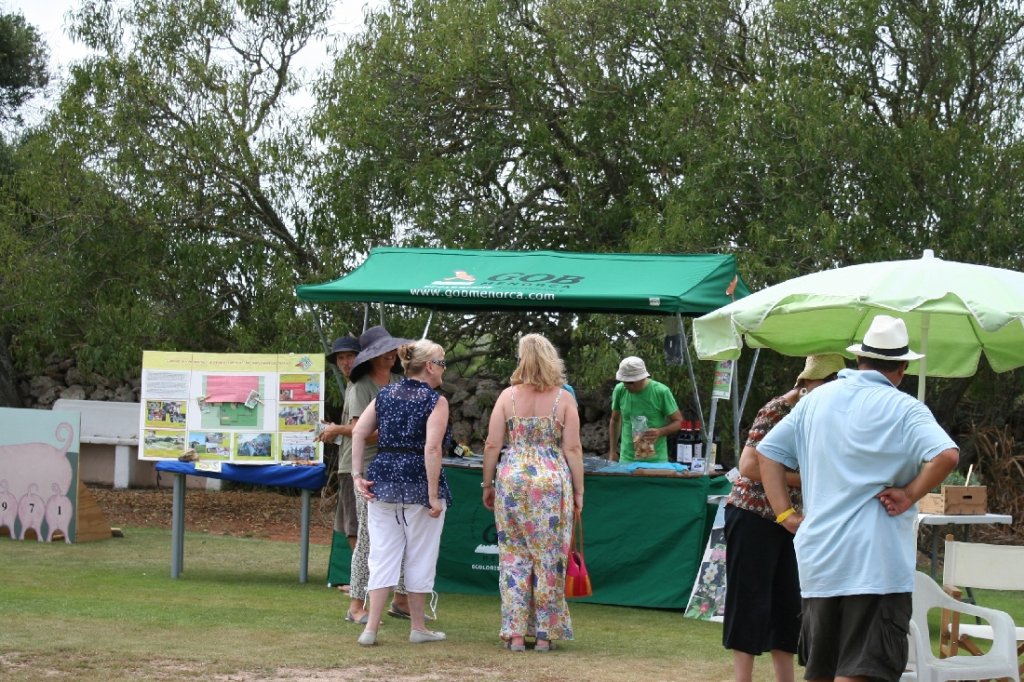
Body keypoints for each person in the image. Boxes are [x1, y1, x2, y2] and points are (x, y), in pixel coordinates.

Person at [756, 315, 959, 682]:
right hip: (876, 562)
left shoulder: (813, 402)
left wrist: (785, 513)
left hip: (820, 560)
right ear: (901, 367)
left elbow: (765, 453)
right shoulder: (904, 408)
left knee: (824, 670)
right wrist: (910, 493)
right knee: (864, 671)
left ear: (860, 359)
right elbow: (946, 455)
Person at [723, 354, 846, 682]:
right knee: (749, 601)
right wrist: (806, 478)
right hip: (752, 515)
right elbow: (749, 465)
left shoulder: (829, 415)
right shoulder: (778, 409)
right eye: (825, 383)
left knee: (789, 604)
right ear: (806, 382)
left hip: (792, 523)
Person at [482, 333, 585, 652]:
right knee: (549, 558)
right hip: (551, 481)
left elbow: (492, 444)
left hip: (512, 477)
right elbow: (573, 447)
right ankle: (544, 634)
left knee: (513, 557)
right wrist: (579, 490)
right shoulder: (563, 399)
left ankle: (514, 634)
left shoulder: (507, 397)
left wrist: (488, 484)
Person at [351, 338, 453, 646]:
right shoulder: (436, 400)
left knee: (382, 554)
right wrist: (433, 494)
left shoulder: (385, 394)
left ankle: (370, 628)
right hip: (419, 482)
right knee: (420, 555)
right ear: (431, 367)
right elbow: (432, 447)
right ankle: (418, 627)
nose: (444, 369)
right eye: (443, 363)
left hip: (383, 479)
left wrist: (357, 474)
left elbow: (358, 432)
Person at [345, 325, 413, 625]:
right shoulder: (361, 387)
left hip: (398, 468)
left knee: (403, 533)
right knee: (369, 538)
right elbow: (363, 432)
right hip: (369, 469)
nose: (389, 354)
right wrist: (401, 431)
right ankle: (356, 605)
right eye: (383, 350)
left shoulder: (401, 380)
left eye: (391, 349)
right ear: (370, 356)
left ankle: (400, 600)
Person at [317, 335, 361, 556]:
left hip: (357, 467)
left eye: (350, 356)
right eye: (341, 358)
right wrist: (333, 430)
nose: (345, 362)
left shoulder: (362, 385)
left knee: (355, 530)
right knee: (351, 528)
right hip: (348, 464)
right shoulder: (353, 385)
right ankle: (363, 582)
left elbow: (363, 429)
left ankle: (364, 585)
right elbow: (354, 428)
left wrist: (335, 429)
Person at [607, 356, 683, 462]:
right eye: (624, 381)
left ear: (642, 377)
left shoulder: (661, 392)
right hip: (627, 460)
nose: (626, 385)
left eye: (630, 382)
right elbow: (615, 420)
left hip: (656, 462)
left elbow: (679, 422)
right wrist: (612, 451)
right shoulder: (620, 390)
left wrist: (660, 432)